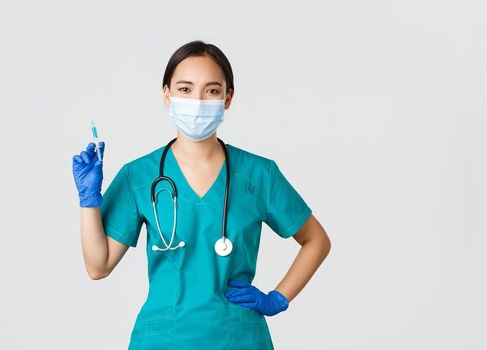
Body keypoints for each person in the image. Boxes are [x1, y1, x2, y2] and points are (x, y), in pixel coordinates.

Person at [72, 40, 331, 349]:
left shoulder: (259, 174)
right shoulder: (139, 176)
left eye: (211, 90)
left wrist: (277, 297)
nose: (197, 100)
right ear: (166, 94)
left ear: (228, 98)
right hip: (163, 339)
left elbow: (316, 240)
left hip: (238, 338)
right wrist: (89, 200)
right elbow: (98, 266)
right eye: (184, 89)